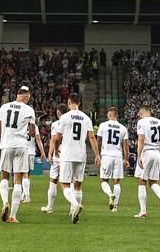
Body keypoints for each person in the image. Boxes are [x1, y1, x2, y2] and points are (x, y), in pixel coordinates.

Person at [49, 93, 100, 224]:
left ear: (69, 102)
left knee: (65, 184)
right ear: (80, 103)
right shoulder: (86, 118)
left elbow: (57, 138)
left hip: (67, 154)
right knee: (78, 185)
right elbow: (92, 137)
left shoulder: (64, 117)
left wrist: (56, 150)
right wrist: (97, 155)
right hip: (81, 154)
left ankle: (75, 205)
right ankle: (74, 212)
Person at [0, 86, 37, 223]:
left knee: (4, 178)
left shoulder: (4, 107)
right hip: (21, 146)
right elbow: (32, 133)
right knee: (18, 181)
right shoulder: (29, 110)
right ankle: (13, 216)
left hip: (6, 145)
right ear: (26, 97)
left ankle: (5, 202)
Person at [133, 106, 160, 219]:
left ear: (142, 113)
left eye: (140, 114)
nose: (139, 116)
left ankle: (143, 212)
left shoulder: (141, 122)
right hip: (157, 153)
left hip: (146, 152)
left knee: (141, 181)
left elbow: (141, 138)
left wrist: (139, 155)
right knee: (153, 182)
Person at [95, 107, 129, 211]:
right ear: (117, 115)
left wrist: (97, 155)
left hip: (106, 155)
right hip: (118, 156)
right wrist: (126, 159)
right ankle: (114, 208)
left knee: (104, 180)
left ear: (109, 115)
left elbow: (98, 141)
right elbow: (125, 145)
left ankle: (110, 194)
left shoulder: (103, 125)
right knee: (117, 182)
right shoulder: (123, 128)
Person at [42, 104, 67, 215]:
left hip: (58, 155)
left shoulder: (56, 124)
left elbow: (53, 140)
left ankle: (50, 207)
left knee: (53, 180)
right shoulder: (70, 123)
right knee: (69, 182)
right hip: (68, 155)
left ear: (58, 113)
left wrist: (50, 153)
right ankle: (73, 208)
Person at [22, 114, 46, 204]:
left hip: (23, 151)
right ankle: (24, 194)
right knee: (27, 175)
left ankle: (27, 196)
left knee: (23, 175)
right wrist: (42, 152)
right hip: (31, 152)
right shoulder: (34, 126)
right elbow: (38, 139)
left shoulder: (21, 124)